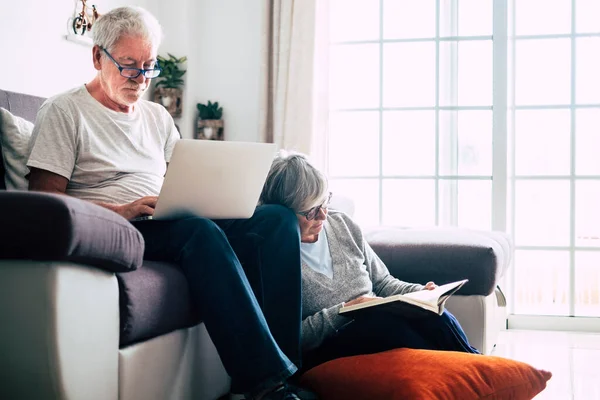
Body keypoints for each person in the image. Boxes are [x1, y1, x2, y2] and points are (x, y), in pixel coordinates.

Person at [26, 6, 307, 400]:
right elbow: (44, 203)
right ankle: (267, 386)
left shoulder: (157, 117)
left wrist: (213, 195)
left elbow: (187, 173)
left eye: (149, 66)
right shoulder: (64, 111)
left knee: (276, 221)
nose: (141, 80)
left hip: (166, 218)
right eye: (128, 66)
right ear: (96, 57)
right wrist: (120, 212)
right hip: (118, 230)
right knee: (197, 231)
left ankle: (290, 374)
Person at [259, 151, 480, 372]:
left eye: (325, 202)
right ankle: (459, 373)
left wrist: (421, 293)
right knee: (386, 327)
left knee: (437, 316)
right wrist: (345, 310)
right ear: (282, 213)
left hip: (379, 324)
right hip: (330, 347)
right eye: (311, 211)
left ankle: (479, 368)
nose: (323, 216)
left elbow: (382, 282)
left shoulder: (341, 224)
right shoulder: (273, 256)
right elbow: (287, 339)